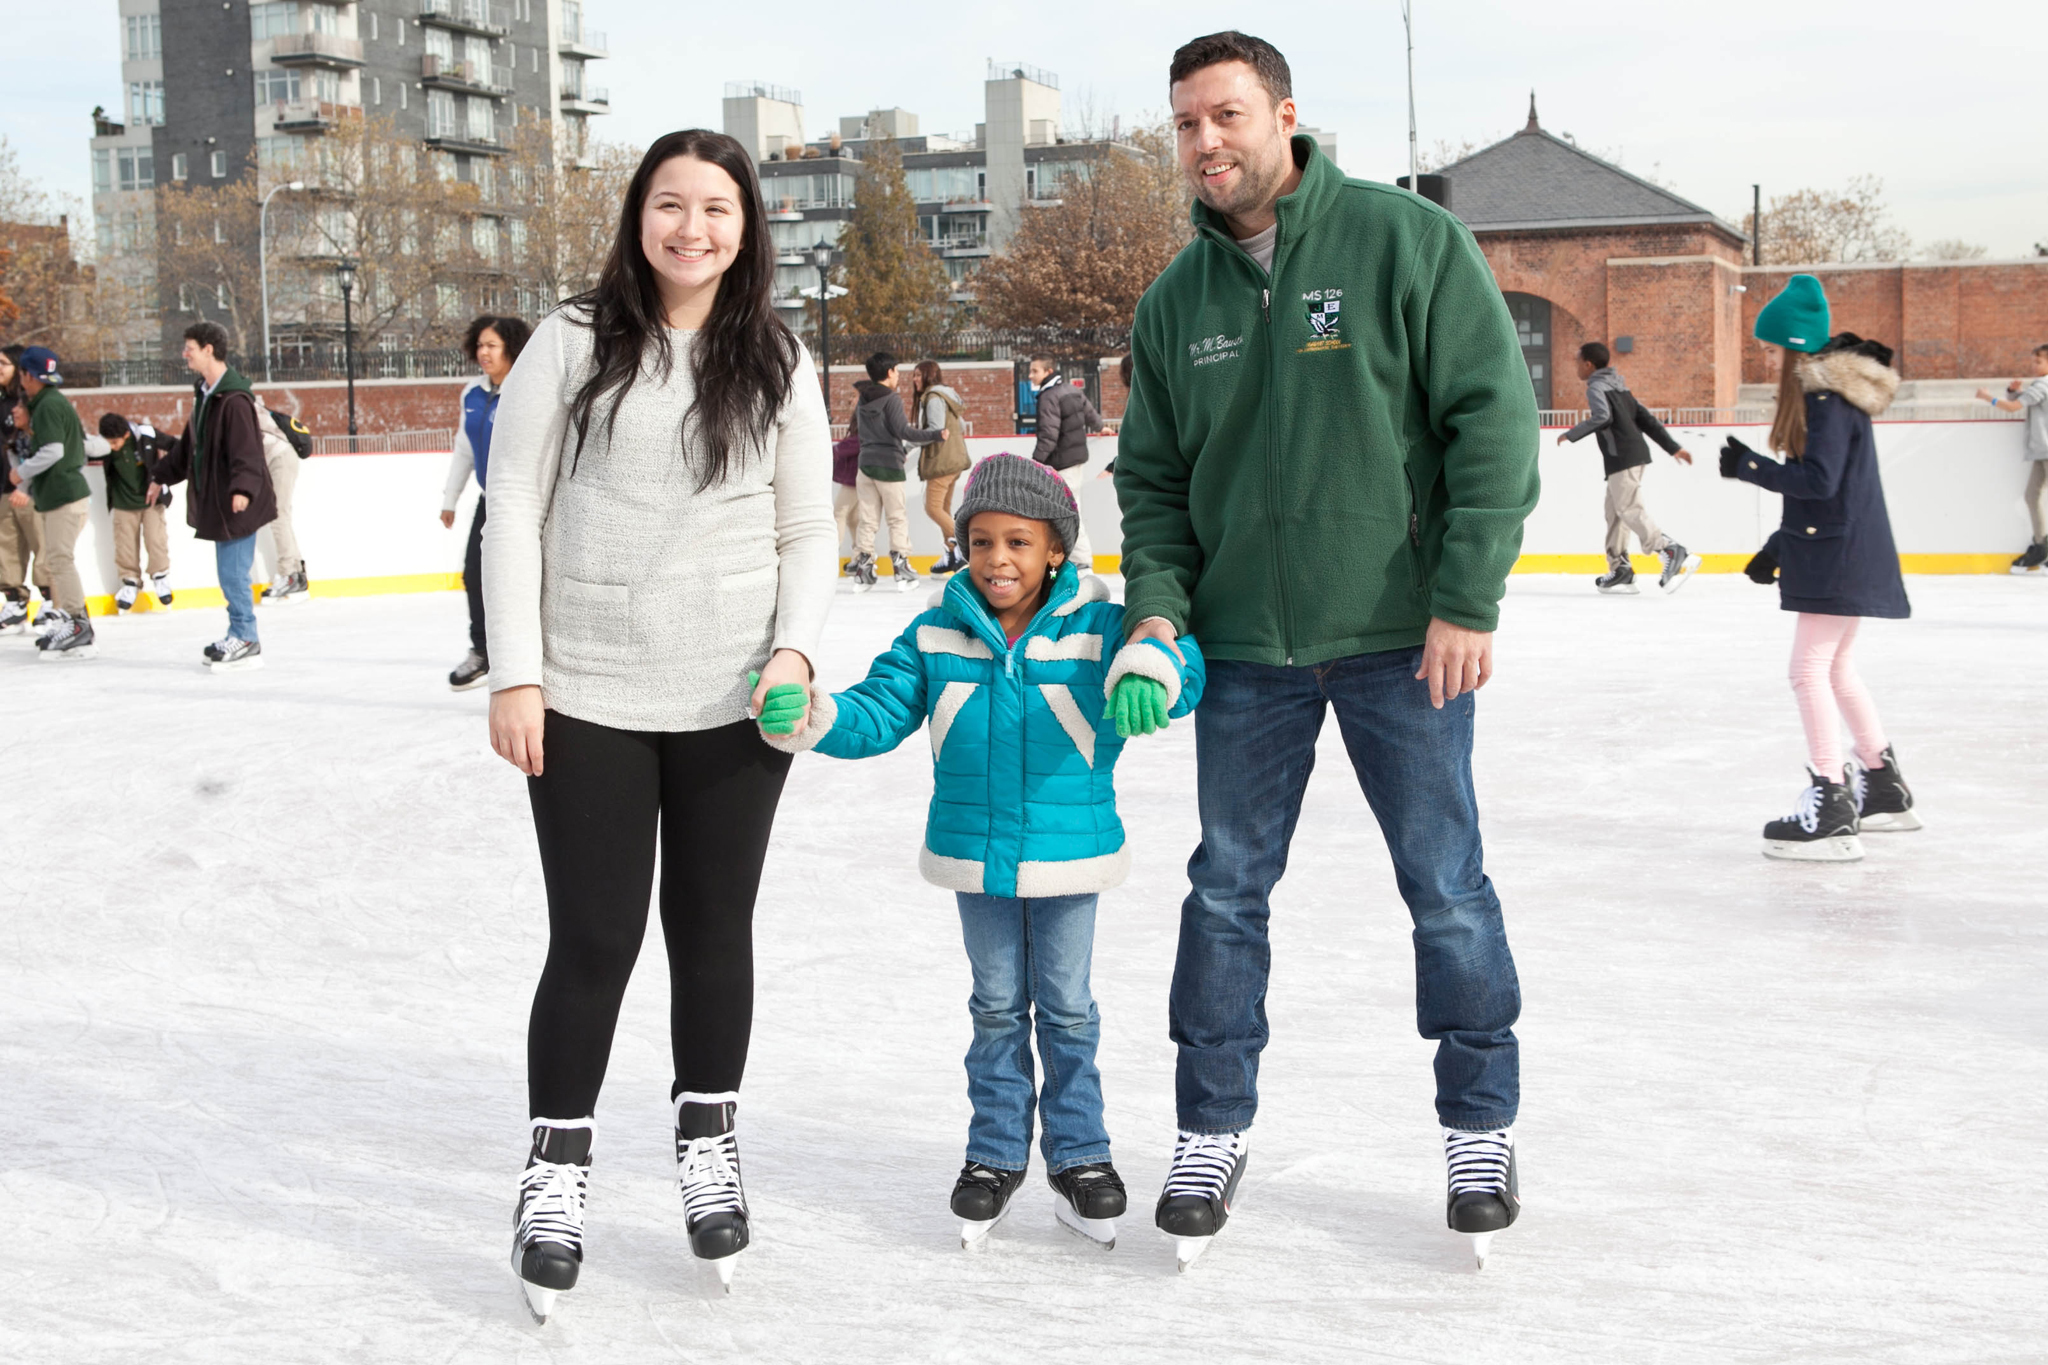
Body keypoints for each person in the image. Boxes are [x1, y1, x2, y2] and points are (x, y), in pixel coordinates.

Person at [1114, 31, 1540, 1271]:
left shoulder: (1404, 242)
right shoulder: (1173, 301)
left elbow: (1488, 421)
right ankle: (1209, 1127)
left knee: (1444, 884)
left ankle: (1479, 1125)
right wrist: (1157, 606)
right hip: (1241, 651)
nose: (1206, 142)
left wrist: (1465, 597)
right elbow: (1150, 482)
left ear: (1283, 116)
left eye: (1227, 116)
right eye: (1186, 123)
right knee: (1225, 890)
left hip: (1404, 640)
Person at [482, 128, 834, 1316]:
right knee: (592, 940)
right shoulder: (571, 342)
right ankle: (556, 1167)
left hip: (735, 695)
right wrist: (515, 674)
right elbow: (514, 505)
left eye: (717, 209)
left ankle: (706, 1144)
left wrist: (792, 648)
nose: (693, 228)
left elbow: (806, 531)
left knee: (711, 928)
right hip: (585, 690)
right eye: (671, 205)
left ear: (748, 228)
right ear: (639, 216)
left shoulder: (778, 356)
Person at [754, 453, 1205, 1250]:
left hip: (1070, 856)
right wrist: (812, 716)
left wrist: (1154, 667)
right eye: (983, 540)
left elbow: (1186, 660)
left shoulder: (1099, 627)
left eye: (1020, 543)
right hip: (975, 853)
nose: (999, 559)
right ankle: (994, 1154)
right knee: (996, 1009)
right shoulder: (935, 631)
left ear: (1056, 551)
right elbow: (878, 710)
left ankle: (1081, 1156)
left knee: (1068, 1010)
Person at [1719, 274, 1917, 861]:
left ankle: (1830, 799)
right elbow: (1831, 493)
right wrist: (1777, 548)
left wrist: (1750, 467)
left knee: (1808, 671)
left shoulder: (1824, 398)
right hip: (1844, 551)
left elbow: (1820, 482)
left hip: (1837, 559)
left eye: (1772, 346)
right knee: (1836, 670)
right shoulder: (1838, 396)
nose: (1766, 355)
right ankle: (1882, 784)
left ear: (1794, 347)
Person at [153, 321, 280, 672]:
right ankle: (239, 633)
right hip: (224, 501)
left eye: (189, 346)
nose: (184, 353)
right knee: (229, 573)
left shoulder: (234, 400)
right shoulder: (208, 395)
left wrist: (242, 489)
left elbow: (247, 451)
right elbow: (189, 447)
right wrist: (160, 475)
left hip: (239, 500)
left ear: (209, 349)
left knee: (233, 574)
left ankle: (245, 637)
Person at [1555, 341, 1701, 594]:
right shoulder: (1621, 387)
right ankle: (1621, 569)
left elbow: (1602, 417)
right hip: (1629, 456)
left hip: (1622, 456)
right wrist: (1673, 447)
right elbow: (1644, 418)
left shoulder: (1596, 387)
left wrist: (1572, 434)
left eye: (1577, 362)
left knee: (1628, 508)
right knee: (1614, 513)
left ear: (1588, 364)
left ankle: (1669, 548)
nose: (1576, 367)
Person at [439, 313, 530, 690]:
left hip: (525, 500)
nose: (484, 352)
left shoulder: (528, 389)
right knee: (474, 574)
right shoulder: (472, 393)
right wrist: (450, 499)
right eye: (480, 345)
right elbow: (464, 449)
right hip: (488, 498)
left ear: (510, 347)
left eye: (492, 345)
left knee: (523, 579)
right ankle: (482, 652)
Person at [12, 347, 98, 658]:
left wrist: (19, 473)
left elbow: (54, 451)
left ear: (28, 376)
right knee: (56, 561)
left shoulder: (47, 405)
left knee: (60, 560)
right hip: (60, 495)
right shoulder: (50, 402)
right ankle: (73, 620)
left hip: (64, 495)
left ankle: (78, 623)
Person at [849, 351, 942, 591]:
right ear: (889, 372)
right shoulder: (891, 399)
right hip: (889, 465)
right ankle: (901, 566)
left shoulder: (863, 399)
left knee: (867, 520)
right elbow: (905, 432)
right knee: (896, 518)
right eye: (898, 371)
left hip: (866, 465)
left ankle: (864, 568)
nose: (899, 375)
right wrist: (935, 434)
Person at [1974, 344, 2048, 574]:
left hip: (2046, 449)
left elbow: (2013, 407)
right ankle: (2042, 545)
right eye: (2033, 361)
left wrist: (1989, 398)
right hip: (2041, 451)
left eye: (2038, 362)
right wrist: (2013, 392)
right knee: (2031, 495)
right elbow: (2021, 401)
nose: (2033, 365)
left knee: (2033, 496)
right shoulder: (2040, 386)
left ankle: (2042, 547)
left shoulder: (2043, 384)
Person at [1026, 357, 1103, 572]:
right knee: (1069, 508)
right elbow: (1090, 413)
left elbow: (1048, 435)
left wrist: (1036, 463)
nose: (1030, 375)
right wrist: (1100, 427)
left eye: (1034, 371)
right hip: (1076, 459)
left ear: (1048, 371)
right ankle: (1077, 558)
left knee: (1068, 511)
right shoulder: (1070, 389)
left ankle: (1082, 559)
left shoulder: (1049, 396)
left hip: (1063, 462)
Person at [97, 411, 176, 613]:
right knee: (124, 544)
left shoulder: (146, 434)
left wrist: (162, 477)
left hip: (150, 499)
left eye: (115, 442)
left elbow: (176, 447)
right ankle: (130, 582)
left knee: (156, 539)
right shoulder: (103, 446)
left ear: (125, 435)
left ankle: (160, 577)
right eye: (109, 443)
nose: (112, 447)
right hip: (123, 502)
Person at [0, 346, 54, 635]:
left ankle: (48, 599)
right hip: (3, 487)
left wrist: (26, 486)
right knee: (7, 546)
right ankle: (14, 601)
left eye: (3, 363)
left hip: (29, 489)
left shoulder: (27, 402)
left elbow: (39, 447)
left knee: (40, 543)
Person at [911, 360, 972, 574]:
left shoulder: (934, 398)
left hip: (942, 461)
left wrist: (907, 444)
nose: (914, 380)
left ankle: (964, 546)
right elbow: (961, 425)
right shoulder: (948, 395)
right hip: (954, 460)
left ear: (928, 376)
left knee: (933, 508)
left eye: (918, 375)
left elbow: (935, 429)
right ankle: (952, 554)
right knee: (943, 509)